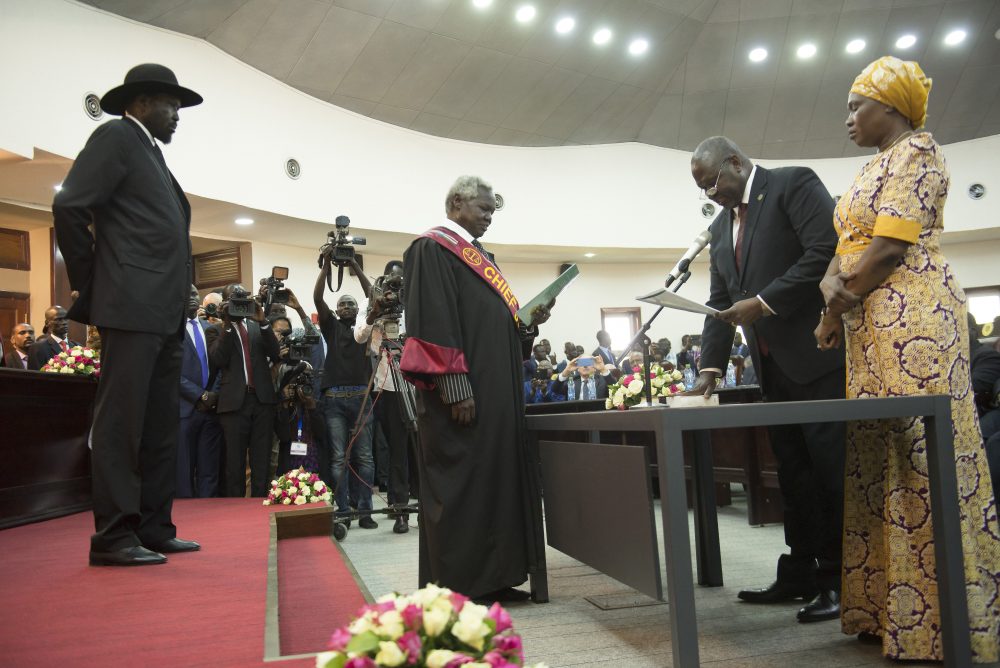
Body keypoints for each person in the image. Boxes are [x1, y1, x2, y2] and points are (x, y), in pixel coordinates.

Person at [815, 56, 1000, 661]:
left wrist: (840, 297)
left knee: (922, 454)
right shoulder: (873, 166)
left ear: (891, 107)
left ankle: (942, 616)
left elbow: (891, 246)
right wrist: (828, 302)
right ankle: (890, 612)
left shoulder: (918, 154)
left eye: (856, 105)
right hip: (870, 319)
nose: (848, 117)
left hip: (913, 319)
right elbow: (847, 244)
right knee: (879, 454)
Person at [689, 135, 846, 623]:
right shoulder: (719, 228)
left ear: (736, 162)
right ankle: (798, 573)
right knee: (793, 473)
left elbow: (824, 250)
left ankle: (840, 580)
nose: (711, 193)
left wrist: (762, 303)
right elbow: (719, 301)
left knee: (829, 474)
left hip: (818, 358)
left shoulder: (791, 184)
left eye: (713, 181)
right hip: (771, 366)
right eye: (702, 188)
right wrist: (709, 369)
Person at [52, 63, 203, 566]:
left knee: (159, 426)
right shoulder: (116, 135)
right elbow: (70, 207)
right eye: (170, 104)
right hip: (131, 306)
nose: (177, 115)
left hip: (163, 313)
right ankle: (114, 536)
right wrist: (94, 284)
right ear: (139, 103)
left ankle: (154, 526)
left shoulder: (152, 155)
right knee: (121, 425)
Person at [400, 175, 550, 603]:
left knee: (495, 480)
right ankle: (461, 585)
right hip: (462, 394)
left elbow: (496, 326)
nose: (489, 217)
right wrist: (452, 381)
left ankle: (496, 578)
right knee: (464, 483)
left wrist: (529, 323)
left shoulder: (483, 257)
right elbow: (432, 318)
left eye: (492, 211)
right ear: (456, 203)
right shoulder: (432, 248)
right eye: (483, 209)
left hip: (496, 391)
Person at [314, 257, 378, 530]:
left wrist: (353, 263)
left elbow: (372, 296)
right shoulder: (331, 326)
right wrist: (327, 266)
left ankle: (365, 512)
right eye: (342, 304)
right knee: (339, 458)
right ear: (337, 310)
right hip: (335, 401)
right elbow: (318, 296)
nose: (347, 307)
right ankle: (342, 510)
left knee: (364, 457)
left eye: (351, 303)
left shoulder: (365, 327)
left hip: (362, 398)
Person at [355, 260, 416, 534]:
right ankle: (399, 508)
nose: (397, 288)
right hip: (387, 388)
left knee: (419, 451)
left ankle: (418, 506)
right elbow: (359, 337)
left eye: (401, 282)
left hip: (416, 386)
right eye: (392, 282)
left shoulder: (417, 305)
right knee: (398, 451)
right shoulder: (374, 307)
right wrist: (375, 315)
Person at [208, 283, 280, 498]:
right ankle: (235, 508)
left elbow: (276, 354)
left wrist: (264, 321)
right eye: (235, 300)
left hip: (262, 401)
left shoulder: (258, 326)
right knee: (235, 462)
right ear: (225, 302)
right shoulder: (216, 329)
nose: (240, 304)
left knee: (262, 459)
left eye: (243, 299)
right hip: (233, 404)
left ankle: (259, 503)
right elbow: (217, 359)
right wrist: (228, 323)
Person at [177, 286, 222, 498]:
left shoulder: (210, 327)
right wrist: (198, 394)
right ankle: (186, 513)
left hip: (211, 407)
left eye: (195, 294)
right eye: (186, 293)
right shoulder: (170, 329)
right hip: (185, 407)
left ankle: (209, 510)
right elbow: (168, 370)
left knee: (209, 468)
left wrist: (212, 394)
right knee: (184, 469)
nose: (191, 297)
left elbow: (221, 365)